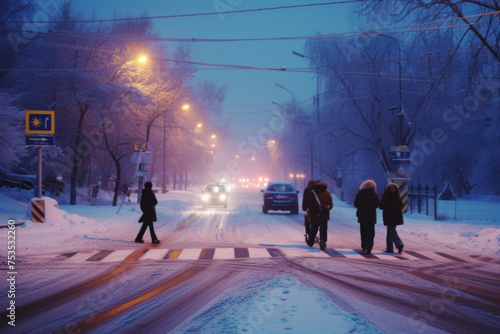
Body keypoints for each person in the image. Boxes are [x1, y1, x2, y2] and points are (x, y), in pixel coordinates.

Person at [302, 181, 333, 250]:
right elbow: (331, 205)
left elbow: (307, 203)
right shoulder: (327, 193)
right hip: (324, 213)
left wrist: (307, 209)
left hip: (314, 213)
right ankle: (323, 242)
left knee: (314, 227)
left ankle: (311, 242)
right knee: (323, 228)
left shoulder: (311, 193)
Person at [354, 180, 379, 254]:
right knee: (371, 232)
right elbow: (377, 204)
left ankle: (364, 245)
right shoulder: (374, 194)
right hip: (371, 216)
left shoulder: (360, 194)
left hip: (362, 215)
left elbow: (356, 204)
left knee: (363, 231)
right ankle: (369, 247)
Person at [379, 183, 404, 253]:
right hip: (396, 217)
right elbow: (401, 205)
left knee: (391, 231)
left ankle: (399, 243)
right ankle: (389, 248)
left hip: (389, 216)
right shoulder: (397, 196)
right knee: (391, 231)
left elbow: (381, 206)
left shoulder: (386, 196)